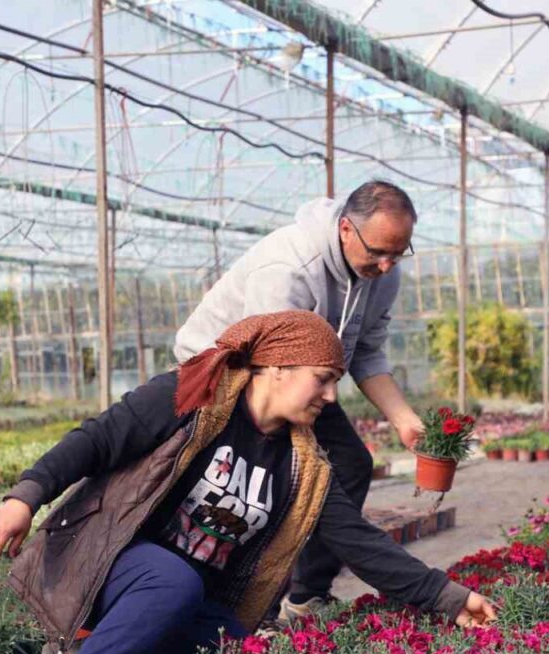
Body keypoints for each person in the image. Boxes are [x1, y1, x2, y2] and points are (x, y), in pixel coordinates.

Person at [0, 311, 496, 654]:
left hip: (181, 600)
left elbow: (360, 542)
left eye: (335, 383)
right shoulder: (191, 398)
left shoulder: (304, 466)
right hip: (109, 565)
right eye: (322, 379)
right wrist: (25, 497)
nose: (330, 397)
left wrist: (448, 597)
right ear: (276, 368)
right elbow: (98, 438)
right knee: (173, 580)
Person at [174, 180, 425, 622]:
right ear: (346, 229)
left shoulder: (382, 275)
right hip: (229, 374)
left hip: (302, 380)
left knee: (350, 464)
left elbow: (367, 351)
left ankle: (307, 596)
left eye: (398, 253)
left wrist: (404, 419)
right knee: (268, 479)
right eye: (378, 252)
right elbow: (267, 364)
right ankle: (250, 612)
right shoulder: (289, 268)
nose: (387, 265)